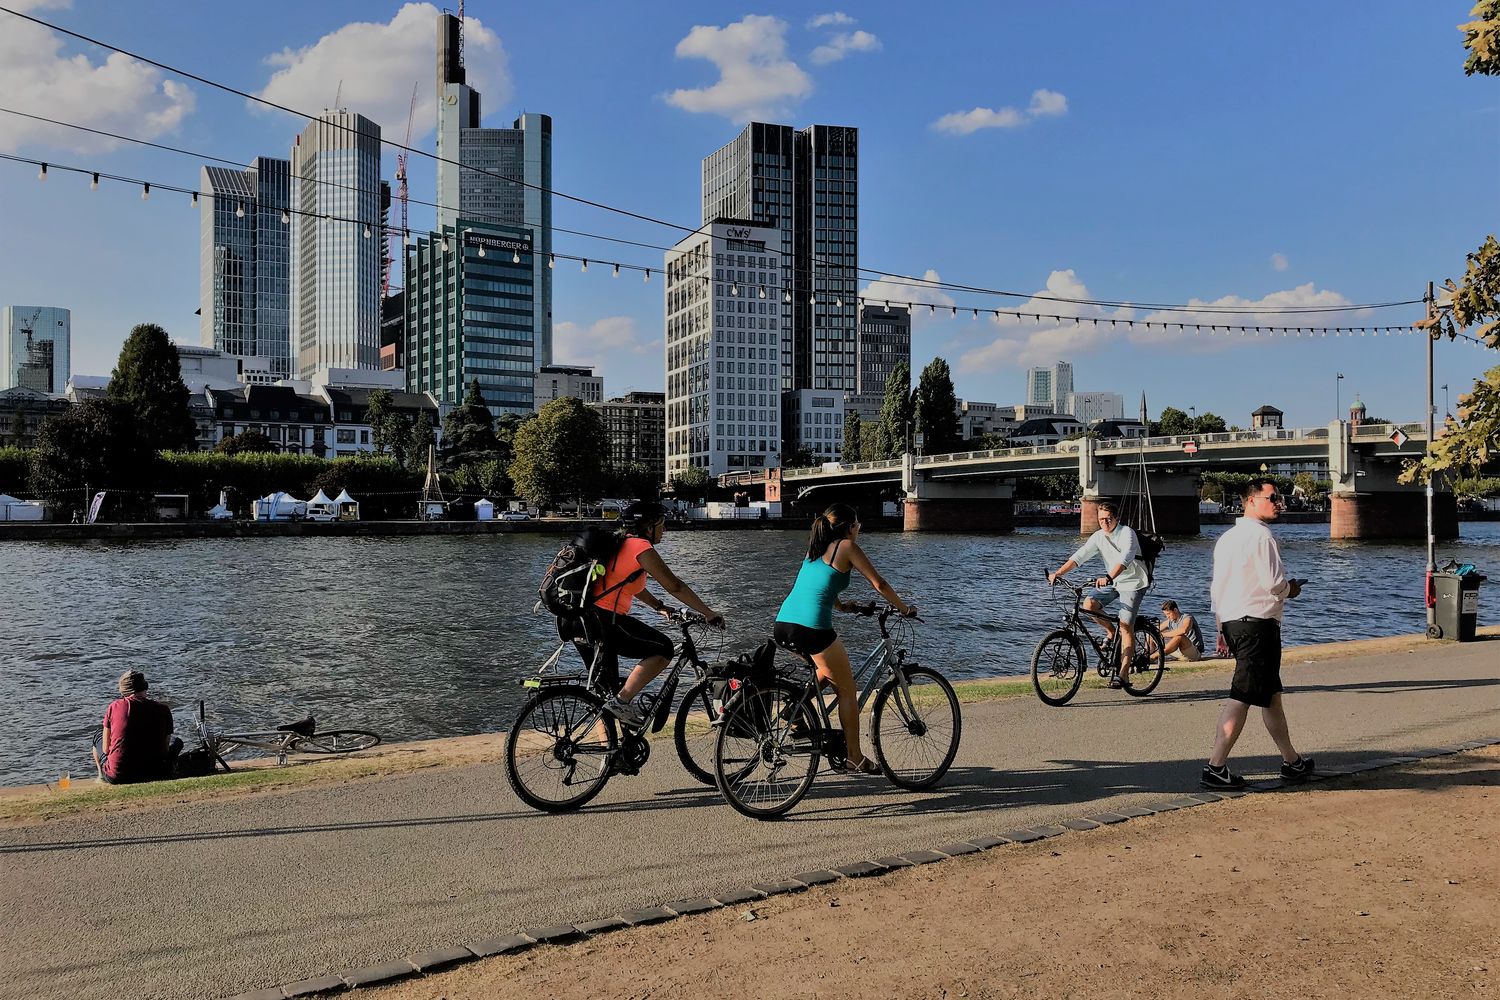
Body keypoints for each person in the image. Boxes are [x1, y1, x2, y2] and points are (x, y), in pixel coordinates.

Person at [773, 503, 917, 775]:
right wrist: (904, 609)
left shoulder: (815, 549)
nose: (859, 529)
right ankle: (855, 757)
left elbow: (815, 586)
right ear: (850, 527)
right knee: (848, 690)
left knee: (826, 670)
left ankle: (793, 709)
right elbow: (880, 584)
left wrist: (844, 607)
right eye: (858, 524)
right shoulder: (847, 548)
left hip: (784, 624)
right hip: (812, 628)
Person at [1202, 478, 1314, 789]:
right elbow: (1274, 585)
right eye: (1273, 497)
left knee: (1270, 697)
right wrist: (1292, 589)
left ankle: (1293, 762)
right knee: (1242, 696)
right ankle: (1215, 766)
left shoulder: (1227, 539)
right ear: (1250, 501)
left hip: (1235, 623)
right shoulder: (1262, 537)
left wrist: (1220, 627)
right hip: (1258, 626)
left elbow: (1218, 588)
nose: (1280, 503)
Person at [585, 500, 723, 728]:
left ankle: (609, 755)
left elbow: (629, 584)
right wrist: (707, 612)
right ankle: (623, 701)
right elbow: (674, 586)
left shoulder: (619, 543)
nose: (664, 529)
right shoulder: (640, 547)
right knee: (663, 649)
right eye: (662, 524)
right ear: (648, 527)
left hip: (582, 619)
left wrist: (659, 606)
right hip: (605, 619)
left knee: (603, 694)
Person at [1046, 500, 1149, 688]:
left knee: (1126, 626)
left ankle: (1123, 674)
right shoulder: (1098, 536)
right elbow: (1080, 556)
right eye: (1101, 519)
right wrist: (1058, 573)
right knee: (1089, 604)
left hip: (1133, 582)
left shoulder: (1127, 533)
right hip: (1113, 581)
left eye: (1108, 519)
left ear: (1116, 518)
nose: (1105, 523)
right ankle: (1111, 632)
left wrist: (1109, 577)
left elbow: (1126, 558)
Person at [93, 671, 179, 784]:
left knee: (98, 735)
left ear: (123, 691)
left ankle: (101, 775)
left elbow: (105, 749)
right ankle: (171, 768)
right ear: (144, 688)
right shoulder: (163, 709)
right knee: (177, 742)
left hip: (118, 775)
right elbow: (164, 750)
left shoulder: (114, 707)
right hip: (156, 772)